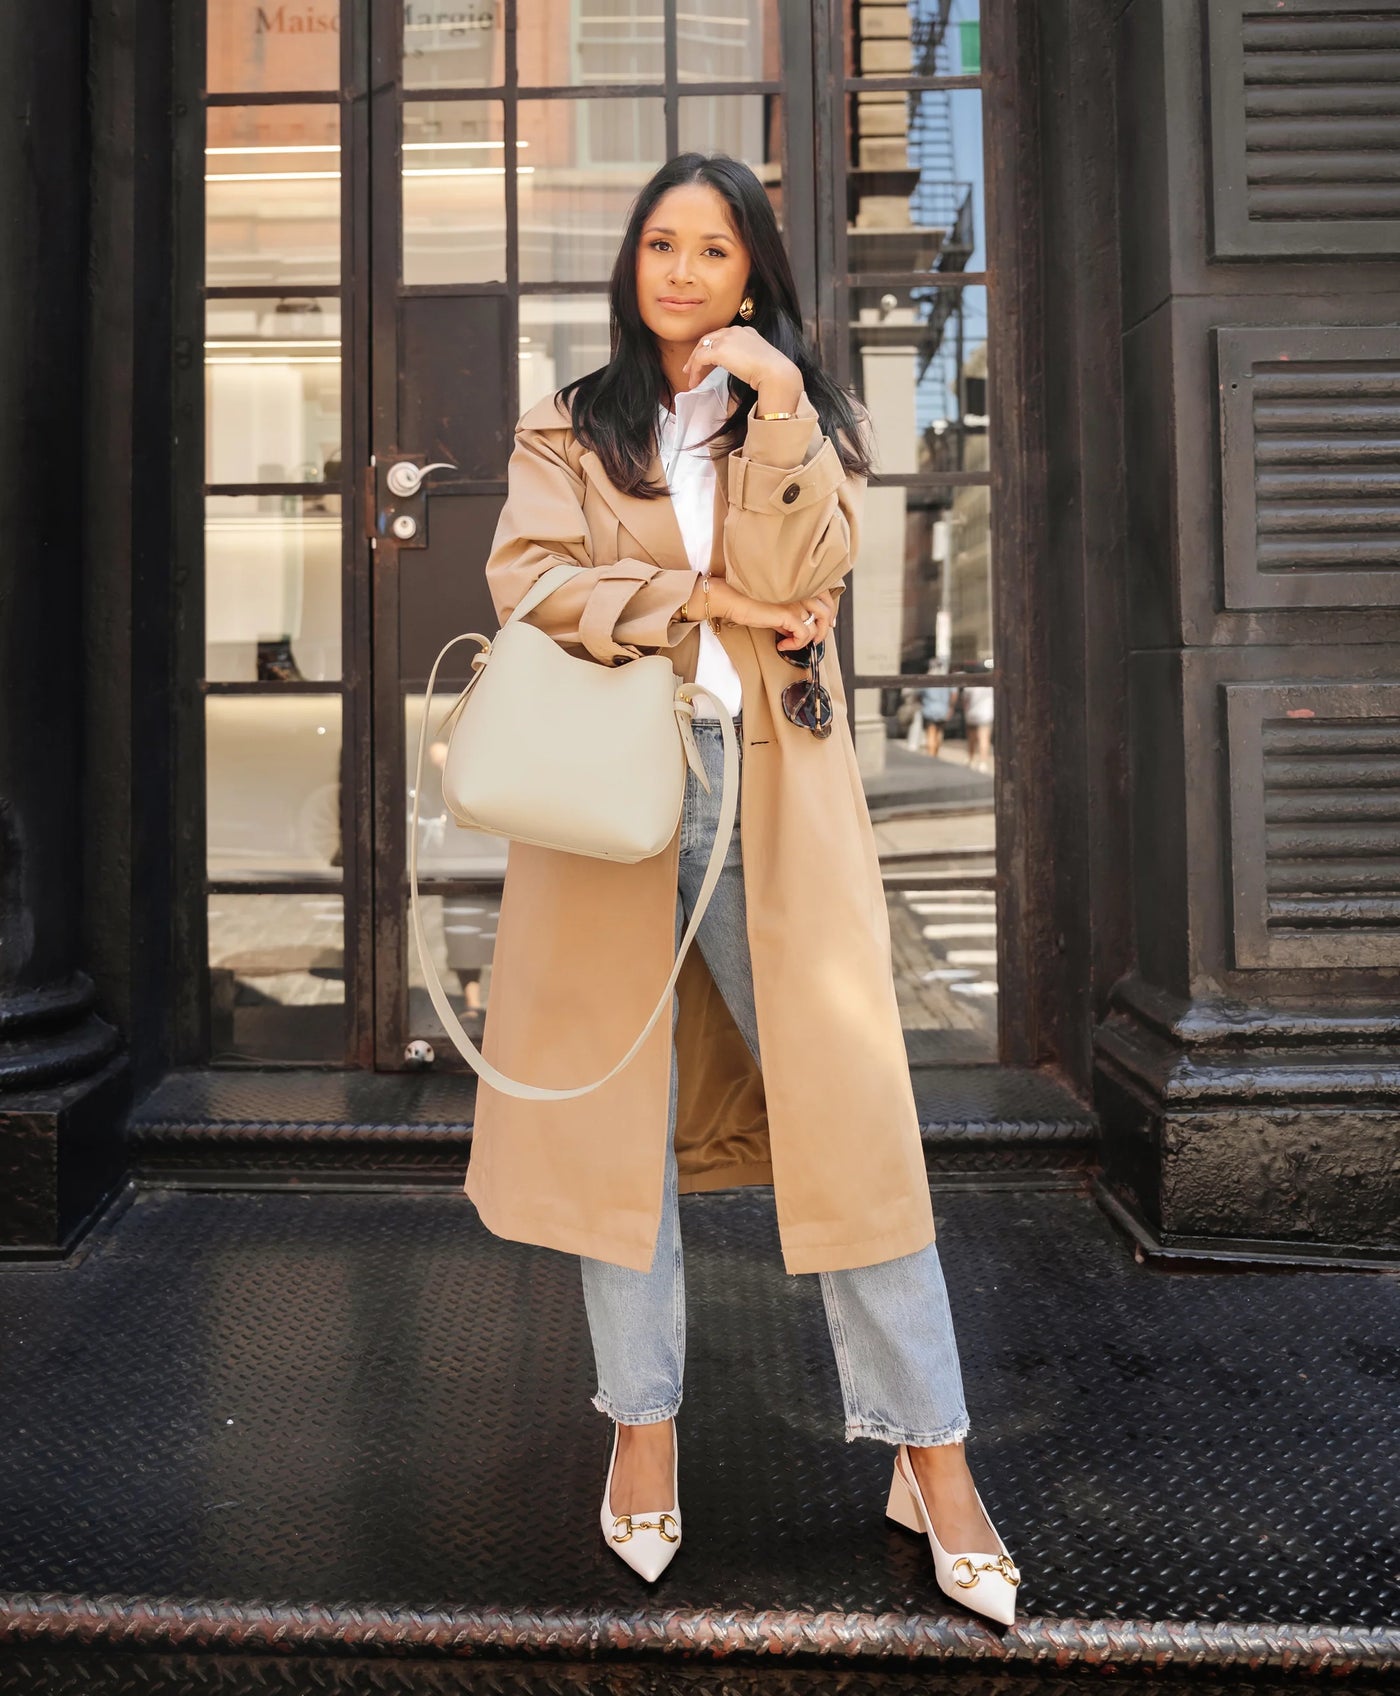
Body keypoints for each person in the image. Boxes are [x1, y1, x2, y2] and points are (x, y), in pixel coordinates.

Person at [470, 153, 1021, 1624]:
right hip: (610, 796)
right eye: (661, 243)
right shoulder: (570, 422)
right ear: (633, 263)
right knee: (619, 1126)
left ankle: (933, 1456)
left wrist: (776, 400)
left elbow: (810, 568)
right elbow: (530, 581)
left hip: (767, 789)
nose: (682, 271)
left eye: (714, 249)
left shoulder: (802, 420)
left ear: (754, 272)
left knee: (852, 1116)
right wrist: (701, 599)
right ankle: (641, 1429)